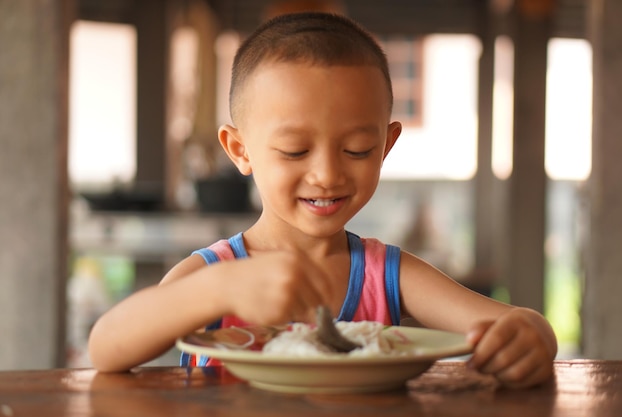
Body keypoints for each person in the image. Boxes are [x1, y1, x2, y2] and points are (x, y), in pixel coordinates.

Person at [88, 12, 557, 388]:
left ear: (387, 145)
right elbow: (106, 348)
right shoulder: (214, 274)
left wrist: (530, 337)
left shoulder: (388, 275)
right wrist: (217, 291)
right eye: (295, 150)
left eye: (357, 150)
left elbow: (516, 323)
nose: (328, 174)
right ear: (240, 150)